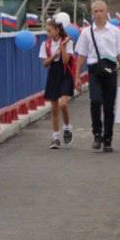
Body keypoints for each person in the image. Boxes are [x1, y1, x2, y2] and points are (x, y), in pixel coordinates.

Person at [74, 0, 120, 152]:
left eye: (101, 11)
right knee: (95, 101)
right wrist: (77, 76)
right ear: (92, 14)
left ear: (106, 12)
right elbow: (81, 55)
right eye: (95, 11)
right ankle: (97, 134)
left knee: (109, 106)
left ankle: (108, 139)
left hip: (110, 71)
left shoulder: (115, 31)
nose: (98, 14)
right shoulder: (86, 32)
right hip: (94, 71)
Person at [40, 18, 76, 149]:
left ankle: (67, 127)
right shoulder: (45, 44)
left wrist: (63, 47)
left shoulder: (67, 42)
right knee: (54, 107)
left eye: (49, 30)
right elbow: (44, 64)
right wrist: (53, 56)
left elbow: (66, 61)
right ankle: (55, 137)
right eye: (47, 30)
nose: (47, 33)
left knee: (63, 103)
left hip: (65, 74)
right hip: (53, 74)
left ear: (57, 30)